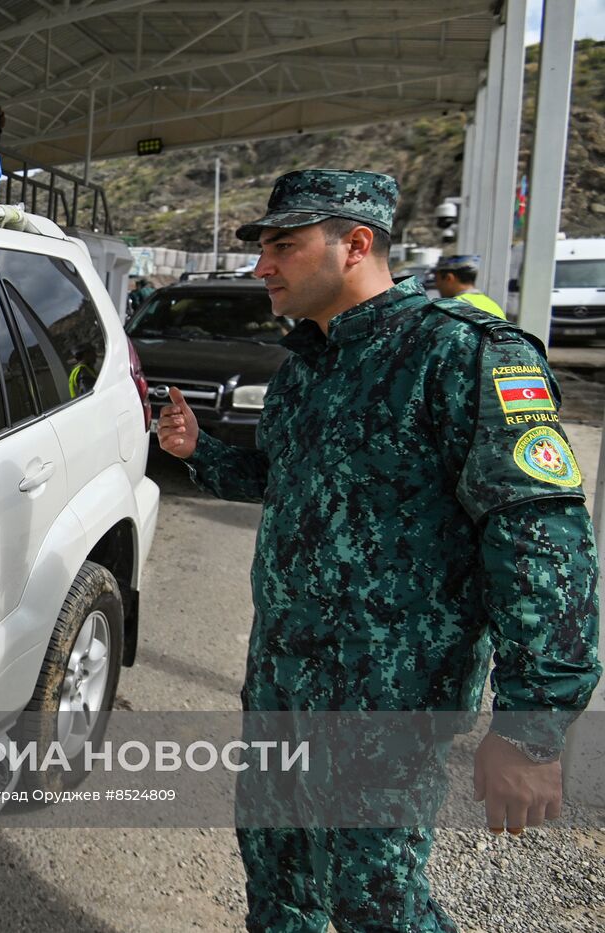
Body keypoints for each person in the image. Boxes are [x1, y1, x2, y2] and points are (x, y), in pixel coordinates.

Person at [156, 169, 600, 931]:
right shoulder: (306, 366)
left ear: (356, 244)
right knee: (278, 878)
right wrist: (201, 453)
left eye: (283, 247)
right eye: (264, 248)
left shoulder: (463, 356)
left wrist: (530, 726)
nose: (263, 266)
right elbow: (286, 480)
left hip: (387, 703)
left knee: (376, 904)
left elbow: (540, 543)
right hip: (280, 683)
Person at [434, 254, 506, 319]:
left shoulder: (452, 306)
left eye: (437, 280)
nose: (437, 285)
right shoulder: (494, 306)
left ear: (449, 278)